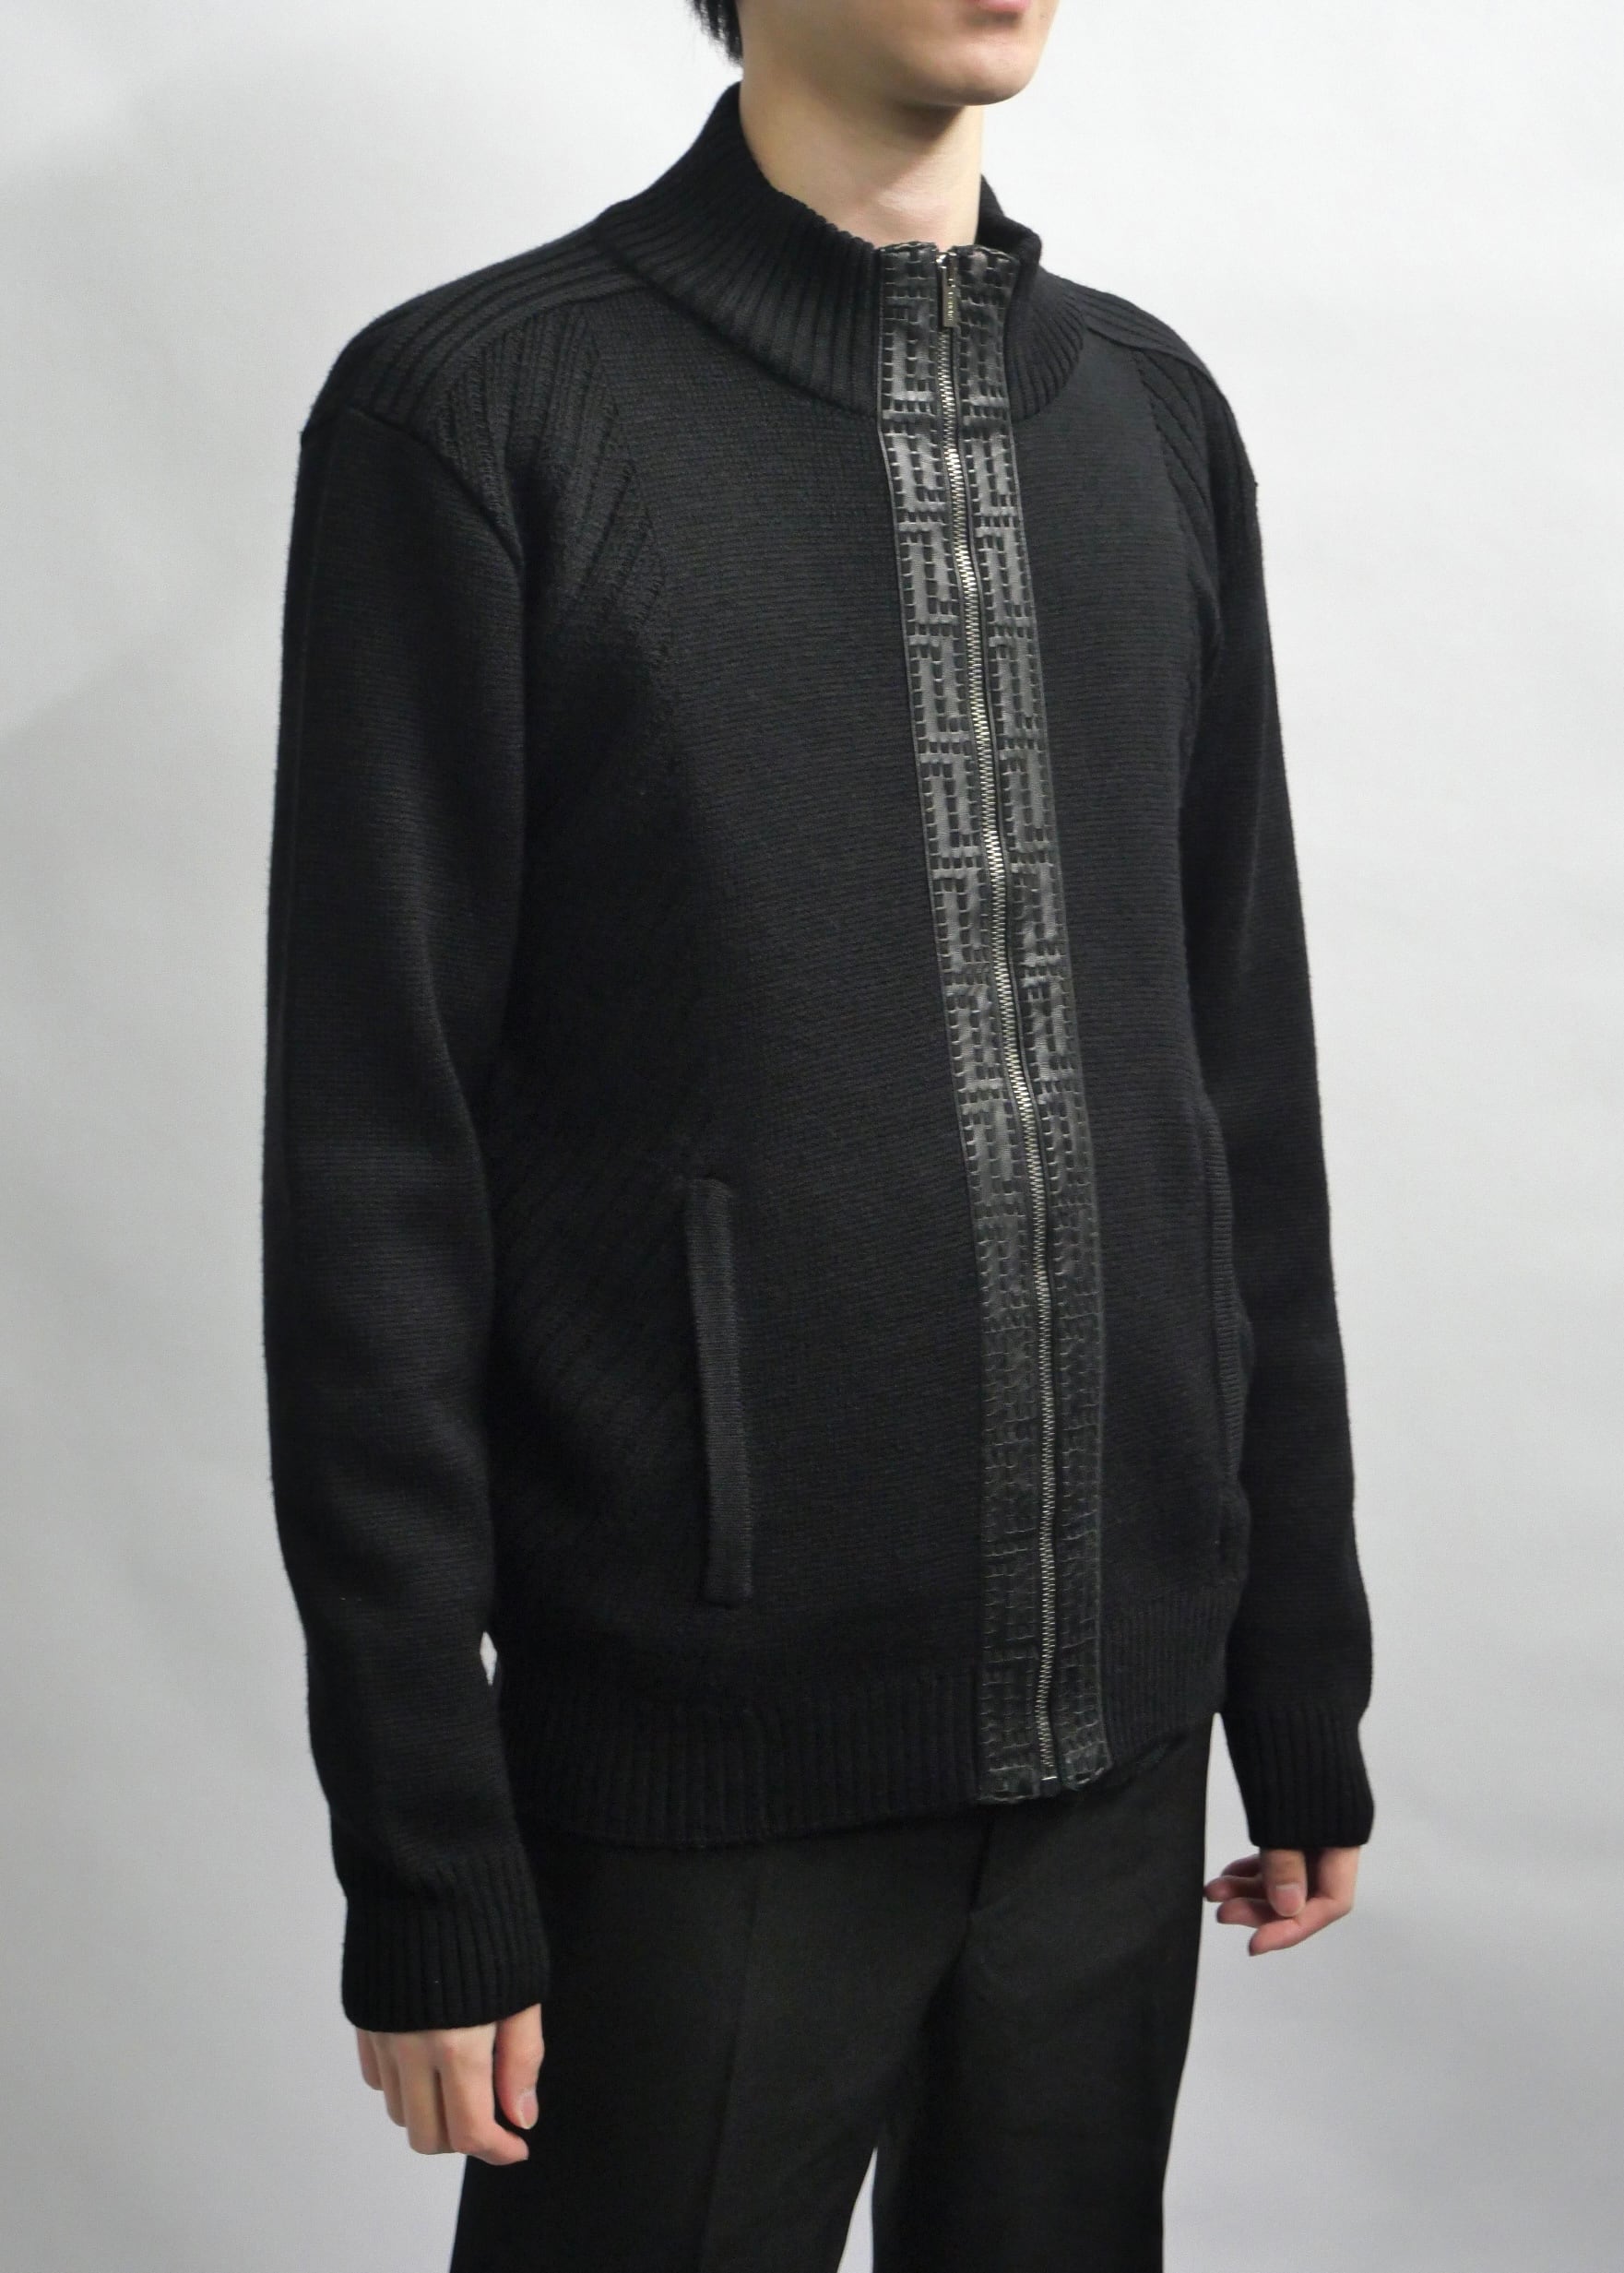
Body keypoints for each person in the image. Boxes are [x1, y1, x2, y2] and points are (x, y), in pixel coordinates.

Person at [261, 0, 1377, 2264]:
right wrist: (426, 1847)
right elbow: (374, 1171)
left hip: (1113, 1748)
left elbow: (1235, 1077)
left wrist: (1292, 1675)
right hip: (696, 1767)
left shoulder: (1148, 414)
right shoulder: (477, 408)